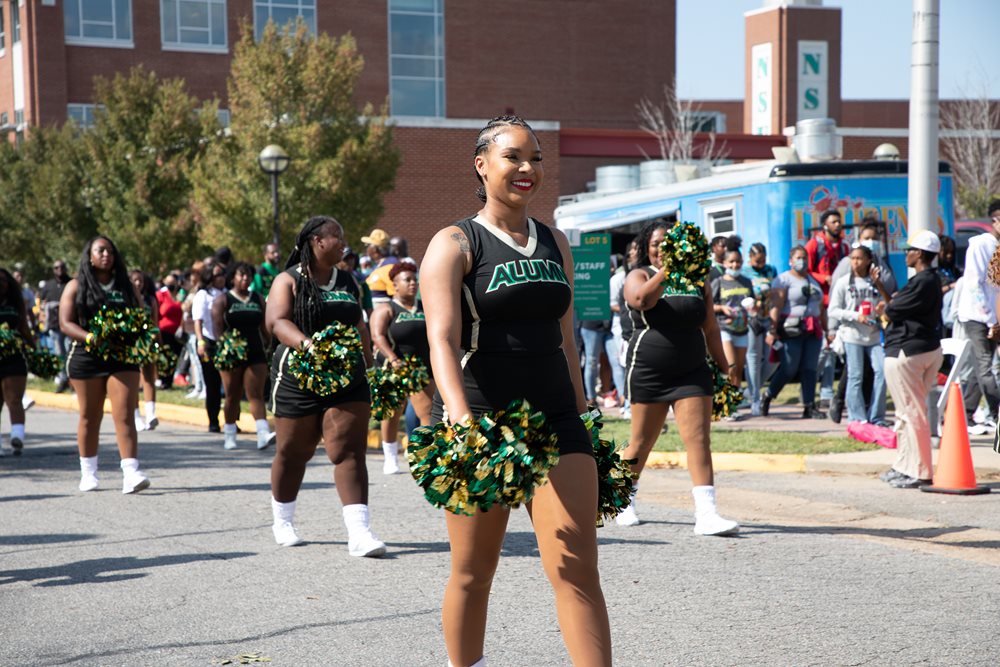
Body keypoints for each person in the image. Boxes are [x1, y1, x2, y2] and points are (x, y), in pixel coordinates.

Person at [420, 115, 611, 666]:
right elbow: (442, 340)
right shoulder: (456, 242)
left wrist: (584, 411)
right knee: (473, 571)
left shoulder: (555, 242)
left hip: (556, 416)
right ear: (482, 165)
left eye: (536, 158)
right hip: (482, 419)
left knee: (576, 565)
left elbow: (568, 339)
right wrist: (459, 419)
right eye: (514, 157)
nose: (527, 168)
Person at [266, 216, 385, 557]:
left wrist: (369, 364)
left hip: (348, 377)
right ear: (317, 241)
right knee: (293, 453)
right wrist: (307, 346)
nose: (344, 243)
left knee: (347, 450)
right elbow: (276, 321)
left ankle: (359, 533)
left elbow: (359, 323)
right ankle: (283, 520)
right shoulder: (287, 280)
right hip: (298, 376)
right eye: (338, 236)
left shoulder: (349, 280)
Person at [616, 220, 739, 538]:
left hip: (692, 371)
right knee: (642, 441)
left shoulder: (699, 280)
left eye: (668, 242)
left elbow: (711, 329)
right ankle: (622, 500)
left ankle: (707, 514)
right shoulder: (639, 274)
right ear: (647, 247)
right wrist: (668, 269)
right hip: (648, 371)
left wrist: (727, 368)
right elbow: (641, 300)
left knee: (699, 438)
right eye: (657, 243)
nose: (661, 248)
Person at [59, 235, 150, 493]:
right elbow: (65, 323)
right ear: (90, 255)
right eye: (100, 251)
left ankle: (131, 472)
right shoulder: (76, 286)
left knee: (124, 413)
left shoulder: (126, 286)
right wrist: (91, 337)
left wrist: (139, 335)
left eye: (110, 251)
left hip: (122, 357)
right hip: (87, 357)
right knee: (90, 416)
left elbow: (142, 317)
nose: (105, 255)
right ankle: (89, 473)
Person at [880, 231, 943, 488]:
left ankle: (920, 471)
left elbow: (892, 309)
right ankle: (904, 465)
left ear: (919, 253)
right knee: (906, 412)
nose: (906, 254)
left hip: (909, 350)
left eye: (910, 250)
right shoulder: (928, 280)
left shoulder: (923, 281)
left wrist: (888, 304)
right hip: (924, 349)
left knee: (912, 412)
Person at [368, 260, 435, 474]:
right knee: (392, 414)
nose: (413, 284)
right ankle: (390, 457)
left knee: (427, 412)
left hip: (421, 367)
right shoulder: (387, 309)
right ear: (395, 285)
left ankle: (425, 455)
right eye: (407, 280)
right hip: (393, 367)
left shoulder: (425, 307)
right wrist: (393, 358)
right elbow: (376, 336)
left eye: (414, 280)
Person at [210, 261, 275, 451]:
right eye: (241, 275)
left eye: (248, 275)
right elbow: (217, 329)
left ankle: (263, 434)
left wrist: (269, 344)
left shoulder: (257, 298)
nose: (245, 279)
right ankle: (229, 433)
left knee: (256, 394)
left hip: (255, 350)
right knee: (232, 395)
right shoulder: (223, 299)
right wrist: (225, 347)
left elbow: (264, 326)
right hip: (232, 353)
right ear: (233, 278)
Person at [762, 245, 827, 418]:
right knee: (789, 367)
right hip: (791, 329)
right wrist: (772, 330)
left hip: (813, 330)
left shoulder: (812, 281)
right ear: (790, 261)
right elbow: (775, 306)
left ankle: (809, 406)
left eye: (805, 257)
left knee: (810, 368)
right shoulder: (783, 280)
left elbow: (821, 308)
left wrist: (829, 331)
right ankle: (768, 395)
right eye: (798, 257)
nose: (802, 261)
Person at [828, 245, 890, 425]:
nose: (855, 262)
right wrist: (856, 316)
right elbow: (833, 310)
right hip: (852, 335)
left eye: (859, 258)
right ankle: (857, 418)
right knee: (855, 375)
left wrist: (880, 310)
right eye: (852, 258)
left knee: (881, 371)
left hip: (873, 335)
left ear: (868, 260)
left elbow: (885, 303)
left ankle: (876, 417)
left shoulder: (875, 282)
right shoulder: (843, 283)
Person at [956, 199, 1000, 433]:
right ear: (995, 220)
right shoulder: (980, 245)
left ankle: (966, 413)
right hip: (977, 316)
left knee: (979, 368)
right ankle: (997, 412)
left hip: (994, 316)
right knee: (985, 367)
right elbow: (975, 284)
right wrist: (991, 320)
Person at [711, 248, 754, 418]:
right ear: (724, 263)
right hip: (724, 329)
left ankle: (732, 405)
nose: (735, 265)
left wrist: (753, 306)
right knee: (731, 366)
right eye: (732, 262)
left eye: (738, 262)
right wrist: (721, 307)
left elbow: (752, 302)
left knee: (738, 371)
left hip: (742, 329)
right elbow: (709, 305)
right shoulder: (719, 282)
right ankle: (725, 406)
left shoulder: (746, 282)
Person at [0, 267, 34, 457]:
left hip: (14, 357)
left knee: (14, 398)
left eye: (4, 281)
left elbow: (24, 327)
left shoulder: (15, 303)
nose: (1, 284)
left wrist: (33, 348)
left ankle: (17, 436)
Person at [743, 243, 777, 416]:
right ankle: (755, 398)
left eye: (763, 260)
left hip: (769, 319)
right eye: (757, 261)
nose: (761, 263)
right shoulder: (744, 272)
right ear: (750, 257)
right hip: (752, 321)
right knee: (753, 359)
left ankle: (751, 390)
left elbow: (777, 293)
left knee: (774, 357)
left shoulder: (771, 270)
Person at [194, 263, 226, 432]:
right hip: (208, 341)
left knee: (229, 384)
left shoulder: (227, 294)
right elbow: (198, 321)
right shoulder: (203, 295)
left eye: (223, 274)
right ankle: (213, 420)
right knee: (212, 383)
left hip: (225, 342)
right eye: (217, 275)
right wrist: (200, 341)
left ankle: (231, 420)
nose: (221, 278)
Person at [130, 270, 159, 431]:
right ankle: (136, 416)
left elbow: (155, 323)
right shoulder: (127, 299)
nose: (138, 284)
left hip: (147, 342)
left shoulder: (150, 300)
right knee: (133, 379)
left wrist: (157, 342)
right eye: (135, 281)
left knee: (149, 376)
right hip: (132, 343)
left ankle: (151, 414)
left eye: (140, 281)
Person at [39, 260, 71, 393]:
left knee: (70, 352)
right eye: (56, 267)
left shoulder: (71, 283)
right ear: (53, 270)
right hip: (54, 326)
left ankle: (72, 380)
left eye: (62, 267)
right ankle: (63, 379)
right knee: (59, 354)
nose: (60, 269)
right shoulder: (49, 285)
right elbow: (41, 302)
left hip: (69, 325)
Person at [155, 272, 185, 389]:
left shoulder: (181, 295)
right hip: (164, 331)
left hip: (178, 333)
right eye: (168, 283)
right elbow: (156, 313)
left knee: (175, 356)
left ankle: (169, 380)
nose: (171, 285)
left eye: (173, 283)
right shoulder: (161, 295)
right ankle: (163, 380)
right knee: (165, 356)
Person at [362, 228, 398, 306]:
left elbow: (396, 294)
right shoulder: (379, 265)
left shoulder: (389, 265)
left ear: (375, 248)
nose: (366, 249)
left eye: (367, 245)